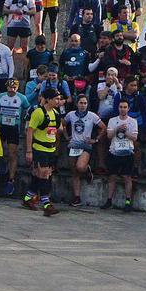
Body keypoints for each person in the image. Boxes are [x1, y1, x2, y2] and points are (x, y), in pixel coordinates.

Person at [24, 88, 63, 216]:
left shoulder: (56, 114)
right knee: (44, 175)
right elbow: (30, 131)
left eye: (59, 98)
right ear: (48, 99)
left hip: (50, 149)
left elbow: (57, 131)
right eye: (56, 99)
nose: (59, 101)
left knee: (40, 175)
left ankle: (28, 198)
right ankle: (47, 204)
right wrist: (29, 151)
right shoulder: (38, 113)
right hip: (39, 148)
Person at [62, 93, 103, 206]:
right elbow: (63, 124)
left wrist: (96, 139)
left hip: (85, 145)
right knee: (74, 172)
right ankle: (77, 197)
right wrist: (66, 136)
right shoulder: (71, 115)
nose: (83, 105)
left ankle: (87, 170)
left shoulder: (92, 115)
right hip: (73, 145)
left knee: (80, 167)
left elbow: (103, 127)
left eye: (85, 103)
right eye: (81, 103)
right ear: (77, 104)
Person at [105, 98, 138, 211]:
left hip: (127, 152)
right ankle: (109, 200)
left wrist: (125, 131)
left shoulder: (133, 121)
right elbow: (109, 136)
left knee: (127, 177)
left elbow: (134, 138)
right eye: (121, 107)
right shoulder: (112, 120)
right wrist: (117, 129)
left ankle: (128, 201)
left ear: (128, 108)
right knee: (112, 176)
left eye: (125, 107)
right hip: (114, 152)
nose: (122, 109)